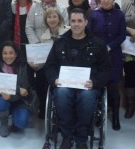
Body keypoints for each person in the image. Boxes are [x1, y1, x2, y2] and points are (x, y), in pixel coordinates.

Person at [45, 8, 111, 149]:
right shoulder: (60, 42)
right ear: (69, 22)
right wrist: (54, 79)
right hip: (65, 85)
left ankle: (81, 137)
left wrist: (95, 82)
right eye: (73, 21)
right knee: (61, 93)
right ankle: (67, 136)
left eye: (80, 21)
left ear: (86, 22)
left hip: (88, 86)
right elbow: (50, 66)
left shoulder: (99, 44)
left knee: (87, 97)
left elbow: (106, 70)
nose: (76, 24)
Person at [25, 0, 68, 118]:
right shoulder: (34, 8)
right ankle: (43, 108)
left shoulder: (62, 8)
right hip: (40, 50)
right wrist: (38, 45)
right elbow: (29, 27)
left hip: (57, 49)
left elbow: (66, 28)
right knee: (40, 81)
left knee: (56, 79)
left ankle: (58, 108)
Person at [89, 0, 126, 131]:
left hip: (114, 55)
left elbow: (122, 35)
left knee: (113, 88)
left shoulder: (120, 15)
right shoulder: (94, 15)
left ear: (113, 0)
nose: (105, 0)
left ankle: (115, 116)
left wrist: (110, 47)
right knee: (97, 86)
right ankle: (98, 115)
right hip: (97, 56)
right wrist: (99, 48)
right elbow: (90, 34)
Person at [0, 41, 34, 137]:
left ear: (16, 54)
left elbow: (25, 89)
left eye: (11, 53)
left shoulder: (23, 66)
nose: (8, 56)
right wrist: (4, 93)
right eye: (5, 53)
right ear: (1, 54)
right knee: (0, 102)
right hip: (4, 99)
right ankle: (4, 123)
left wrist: (14, 93)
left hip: (20, 101)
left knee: (21, 123)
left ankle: (16, 122)